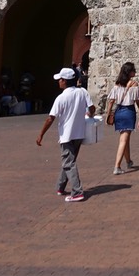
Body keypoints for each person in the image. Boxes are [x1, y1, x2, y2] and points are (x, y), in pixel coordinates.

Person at [36, 66, 95, 203]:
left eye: (60, 79)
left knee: (69, 162)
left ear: (65, 81)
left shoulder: (61, 98)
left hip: (66, 134)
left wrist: (41, 134)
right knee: (70, 160)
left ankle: (77, 191)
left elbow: (50, 118)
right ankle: (60, 186)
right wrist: (89, 114)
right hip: (79, 133)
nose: (59, 82)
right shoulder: (82, 92)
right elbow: (92, 108)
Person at [106, 62, 139, 174]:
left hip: (119, 111)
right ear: (129, 72)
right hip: (128, 111)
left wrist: (108, 114)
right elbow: (137, 100)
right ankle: (117, 166)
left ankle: (129, 161)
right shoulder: (134, 85)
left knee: (125, 137)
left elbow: (111, 101)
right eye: (133, 70)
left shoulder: (117, 85)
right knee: (124, 139)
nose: (135, 72)